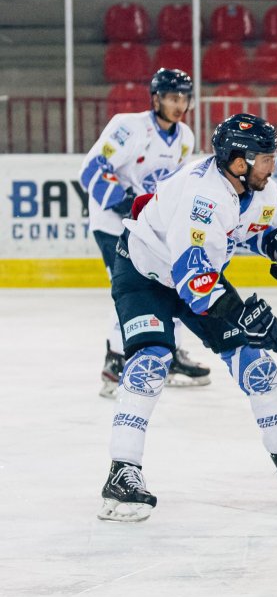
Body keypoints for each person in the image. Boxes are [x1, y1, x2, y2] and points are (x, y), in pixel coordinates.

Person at [97, 113, 277, 522]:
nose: (271, 165)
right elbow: (195, 284)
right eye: (264, 158)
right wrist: (245, 317)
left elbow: (238, 231)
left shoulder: (260, 189)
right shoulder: (201, 196)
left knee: (256, 364)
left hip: (194, 273)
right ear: (238, 162)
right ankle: (122, 471)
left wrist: (273, 243)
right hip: (144, 275)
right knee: (149, 363)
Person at [79, 68, 212, 397]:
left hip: (148, 226)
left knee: (172, 280)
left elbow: (174, 185)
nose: (179, 105)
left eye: (184, 98)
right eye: (172, 97)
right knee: (127, 287)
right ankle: (115, 359)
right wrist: (121, 201)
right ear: (156, 99)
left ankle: (170, 353)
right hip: (112, 224)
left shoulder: (185, 138)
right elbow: (92, 169)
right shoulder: (128, 128)